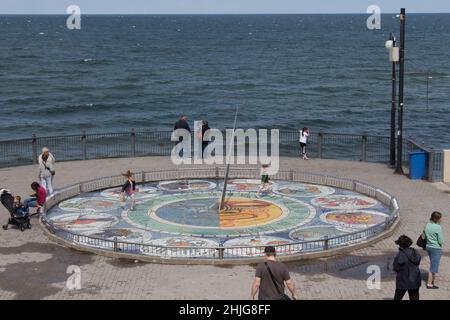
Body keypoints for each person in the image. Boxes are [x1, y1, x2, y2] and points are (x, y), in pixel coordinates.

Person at [393, 235, 421, 300]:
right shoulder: (415, 252)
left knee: (397, 298)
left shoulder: (400, 254)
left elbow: (396, 267)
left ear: (401, 245)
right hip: (415, 280)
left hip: (402, 281)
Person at [424, 211, 444, 289]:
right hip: (436, 248)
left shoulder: (427, 224)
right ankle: (429, 284)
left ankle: (432, 280)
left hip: (428, 246)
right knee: (433, 267)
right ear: (437, 219)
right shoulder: (438, 227)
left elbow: (424, 235)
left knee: (433, 264)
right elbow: (440, 241)